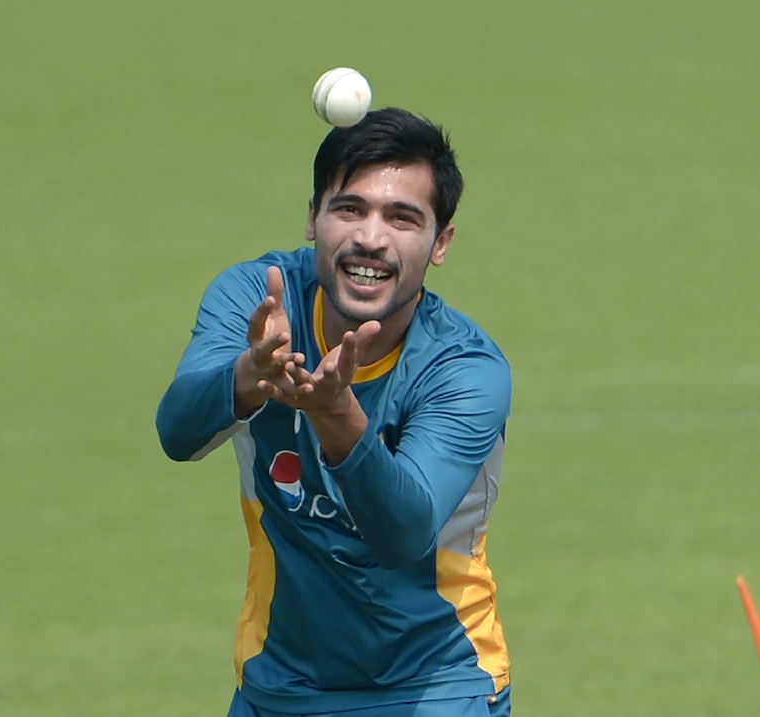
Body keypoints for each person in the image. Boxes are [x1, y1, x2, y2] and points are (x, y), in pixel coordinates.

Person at [156, 107, 512, 717]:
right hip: (279, 685)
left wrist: (336, 415)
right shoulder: (259, 298)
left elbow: (403, 532)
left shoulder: (465, 370)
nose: (371, 238)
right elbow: (178, 433)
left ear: (441, 243)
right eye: (350, 208)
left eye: (403, 218)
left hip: (434, 687)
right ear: (312, 216)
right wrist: (248, 375)